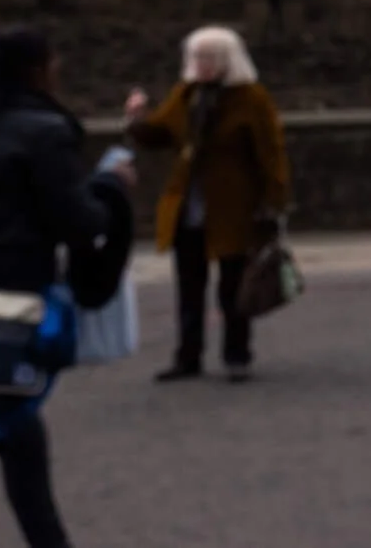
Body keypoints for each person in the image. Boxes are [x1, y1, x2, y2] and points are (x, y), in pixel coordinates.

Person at [0, 28, 133, 548]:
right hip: (3, 325)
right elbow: (80, 222)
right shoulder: (41, 134)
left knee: (24, 456)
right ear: (36, 70)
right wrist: (111, 188)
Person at [124, 26, 290, 383]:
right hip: (189, 206)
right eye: (197, 57)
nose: (202, 64)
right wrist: (136, 118)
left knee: (233, 287)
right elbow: (159, 134)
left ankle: (237, 354)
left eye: (210, 57)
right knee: (189, 286)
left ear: (228, 60)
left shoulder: (251, 99)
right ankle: (188, 356)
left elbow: (270, 153)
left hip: (234, 206)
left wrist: (273, 203)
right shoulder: (186, 95)